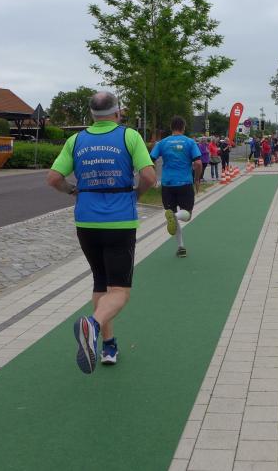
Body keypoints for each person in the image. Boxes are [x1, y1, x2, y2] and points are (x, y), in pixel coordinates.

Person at [47, 91, 156, 375]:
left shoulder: (76, 140)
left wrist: (73, 190)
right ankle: (92, 325)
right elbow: (148, 176)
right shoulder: (129, 136)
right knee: (119, 291)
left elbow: (54, 178)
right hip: (119, 221)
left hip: (86, 222)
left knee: (100, 282)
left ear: (91, 115)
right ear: (117, 112)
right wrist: (136, 194)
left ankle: (107, 346)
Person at [150, 116, 202, 258]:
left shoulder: (162, 143)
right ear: (183, 127)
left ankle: (181, 246)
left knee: (172, 216)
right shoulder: (190, 142)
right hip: (184, 183)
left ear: (171, 127)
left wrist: (154, 178)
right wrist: (197, 178)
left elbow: (150, 160)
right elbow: (198, 163)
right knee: (187, 215)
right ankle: (175, 216)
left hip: (167, 184)